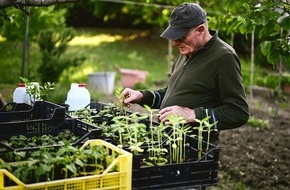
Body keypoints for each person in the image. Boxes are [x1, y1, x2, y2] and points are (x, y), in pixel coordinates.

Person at [120, 2, 249, 143]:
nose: (174, 43)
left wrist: (193, 115)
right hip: (168, 141)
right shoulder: (188, 51)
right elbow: (172, 94)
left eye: (180, 37)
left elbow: (238, 112)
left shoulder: (224, 57)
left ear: (200, 30)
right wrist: (142, 96)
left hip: (196, 149)